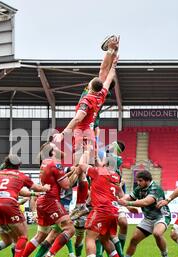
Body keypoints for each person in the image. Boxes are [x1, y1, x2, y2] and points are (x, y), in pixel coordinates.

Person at [54, 36, 120, 215]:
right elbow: (107, 73)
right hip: (90, 132)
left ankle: (72, 189)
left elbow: (77, 118)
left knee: (80, 167)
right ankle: (82, 201)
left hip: (81, 131)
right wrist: (113, 57)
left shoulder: (88, 98)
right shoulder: (101, 94)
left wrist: (63, 134)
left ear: (91, 86)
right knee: (84, 165)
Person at [21, 142, 75, 257]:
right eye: (55, 146)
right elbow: (67, 185)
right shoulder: (54, 164)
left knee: (41, 235)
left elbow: (55, 178)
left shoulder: (44, 162)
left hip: (42, 201)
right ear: (51, 151)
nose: (58, 147)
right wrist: (75, 174)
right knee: (69, 229)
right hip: (51, 201)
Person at [76, 150, 128, 257]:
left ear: (105, 162)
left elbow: (81, 165)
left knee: (90, 236)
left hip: (101, 209)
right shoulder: (116, 176)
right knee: (104, 239)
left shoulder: (99, 171)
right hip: (112, 211)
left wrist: (86, 151)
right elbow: (121, 194)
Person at [118, 170, 171, 257]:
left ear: (147, 181)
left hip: (161, 216)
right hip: (148, 218)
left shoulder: (155, 188)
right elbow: (129, 197)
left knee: (157, 233)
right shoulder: (140, 188)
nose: (138, 183)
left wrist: (127, 204)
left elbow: (146, 202)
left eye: (140, 181)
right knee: (134, 239)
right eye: (137, 180)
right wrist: (121, 200)